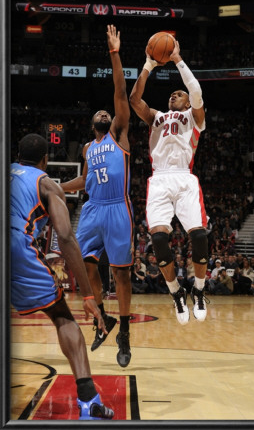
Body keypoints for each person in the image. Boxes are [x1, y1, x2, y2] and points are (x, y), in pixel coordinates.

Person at [10, 133, 114, 420]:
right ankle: (89, 400)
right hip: (16, 247)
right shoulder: (45, 183)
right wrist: (88, 295)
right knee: (62, 316)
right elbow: (66, 237)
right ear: (45, 160)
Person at [60, 25, 133, 368]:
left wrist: (114, 53)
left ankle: (125, 335)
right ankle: (104, 319)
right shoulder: (89, 148)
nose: (105, 114)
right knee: (85, 264)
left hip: (117, 208)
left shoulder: (118, 134)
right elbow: (86, 182)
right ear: (92, 124)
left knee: (121, 274)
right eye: (99, 115)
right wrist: (58, 188)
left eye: (108, 112)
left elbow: (120, 91)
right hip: (92, 208)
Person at [130, 38, 209, 325]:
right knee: (160, 240)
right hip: (160, 180)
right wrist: (149, 65)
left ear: (187, 101)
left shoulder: (194, 117)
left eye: (179, 93)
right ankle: (175, 292)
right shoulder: (157, 117)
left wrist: (177, 59)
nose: (173, 96)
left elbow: (197, 92)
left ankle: (199, 290)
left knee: (199, 237)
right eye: (172, 94)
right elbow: (134, 101)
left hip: (185, 178)